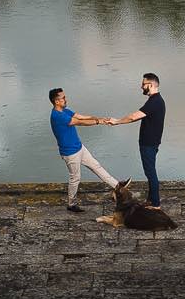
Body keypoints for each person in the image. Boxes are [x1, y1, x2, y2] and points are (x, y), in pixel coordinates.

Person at [48, 86, 120, 214]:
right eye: (63, 98)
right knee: (75, 178)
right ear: (56, 101)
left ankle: (118, 186)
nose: (66, 99)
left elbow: (81, 117)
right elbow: (79, 122)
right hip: (70, 153)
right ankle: (71, 204)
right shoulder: (57, 116)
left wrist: (100, 119)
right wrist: (98, 122)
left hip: (79, 147)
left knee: (96, 166)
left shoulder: (65, 111)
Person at [109, 73, 167, 209]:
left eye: (143, 84)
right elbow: (139, 116)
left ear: (150, 85)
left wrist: (117, 121)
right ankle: (151, 200)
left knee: (150, 173)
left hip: (149, 144)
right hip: (151, 142)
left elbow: (133, 117)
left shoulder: (154, 102)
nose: (141, 87)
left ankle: (156, 204)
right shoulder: (156, 100)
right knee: (150, 171)